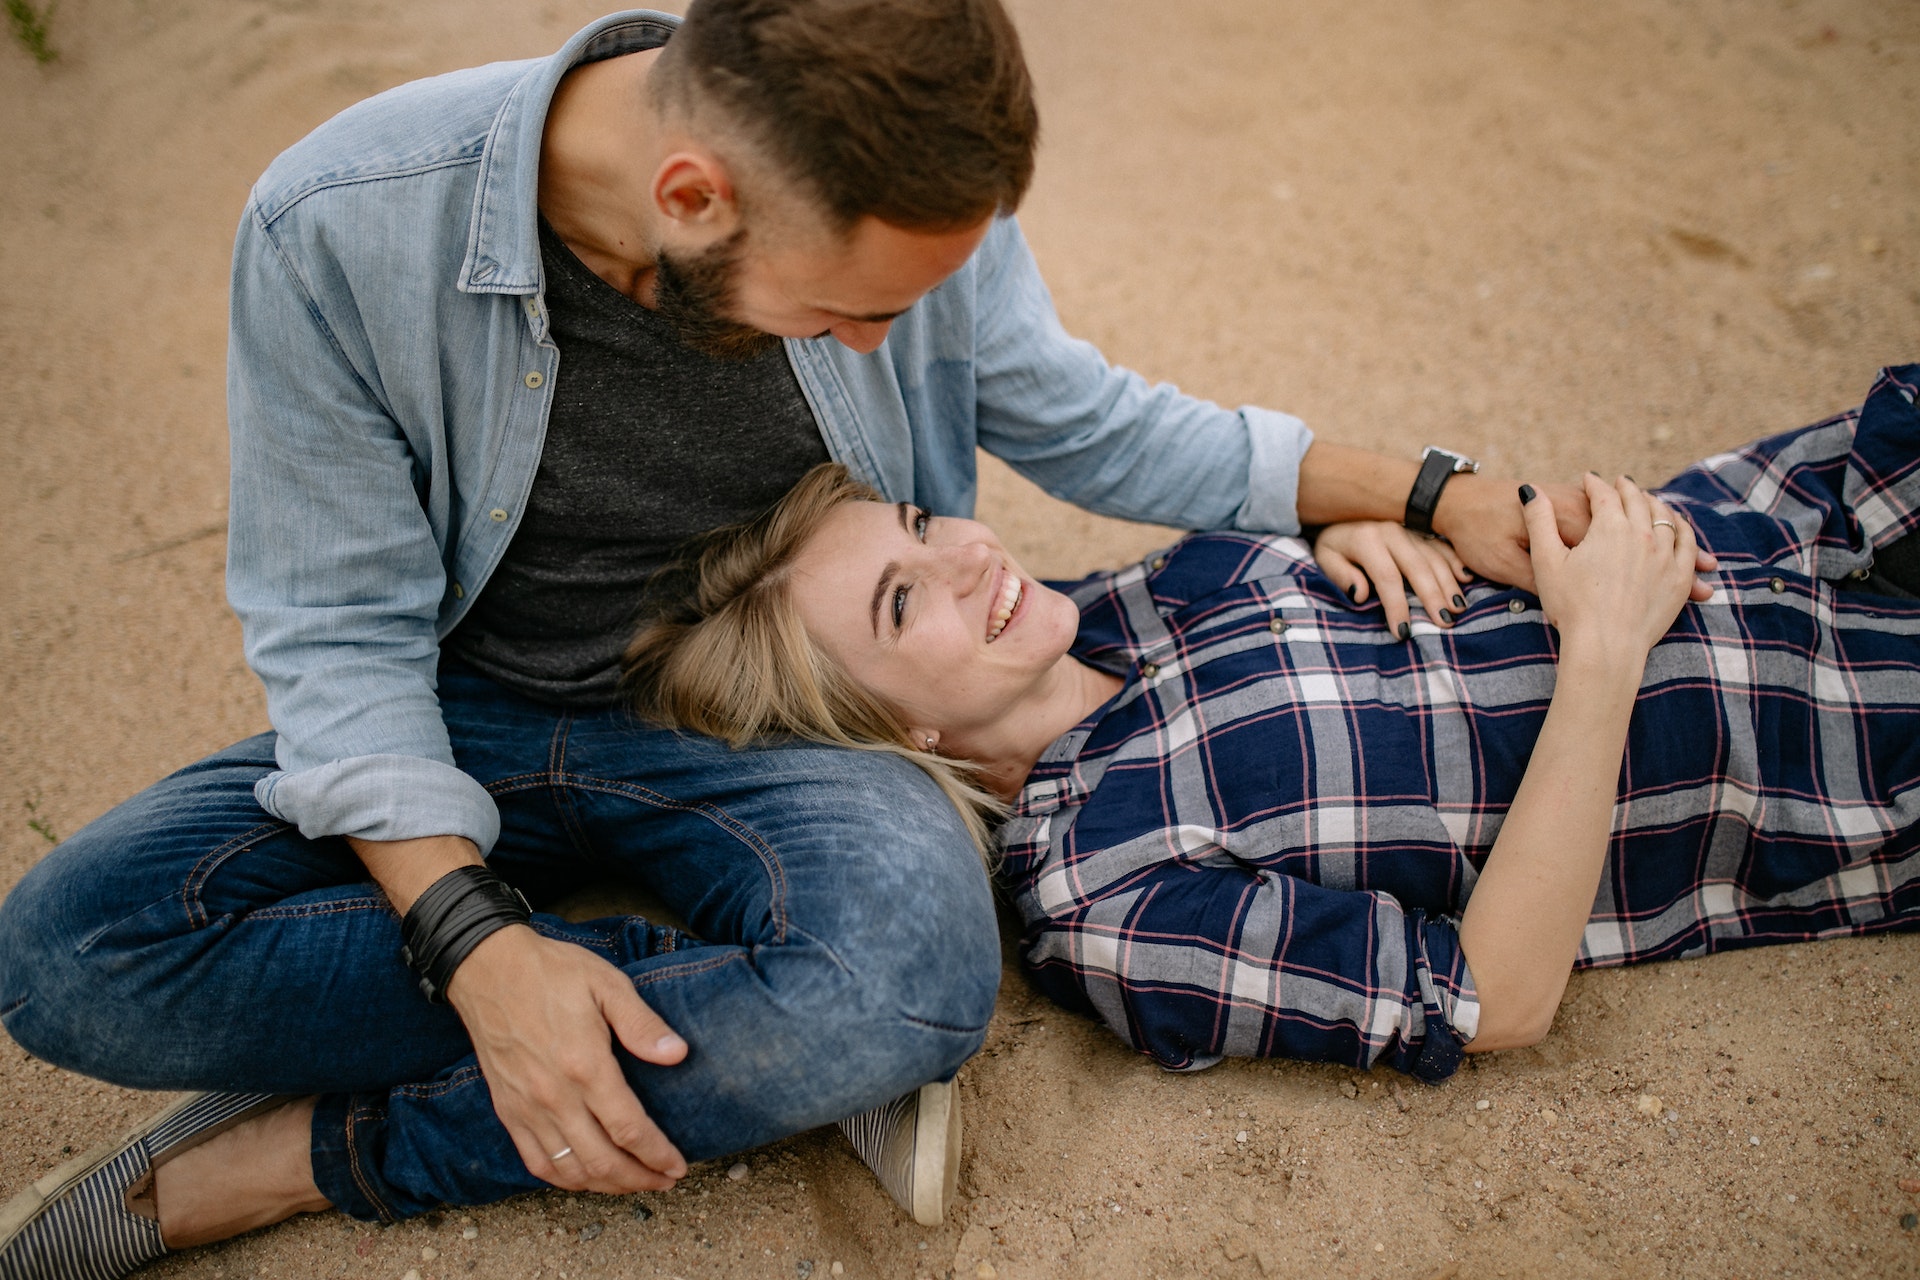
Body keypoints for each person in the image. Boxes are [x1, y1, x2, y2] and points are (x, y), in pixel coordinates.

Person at [0, 2, 1604, 1273]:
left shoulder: (884, 193)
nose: (888, 345)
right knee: (67, 960)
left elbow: (1086, 422)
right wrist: (478, 948)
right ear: (691, 200)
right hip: (455, 716)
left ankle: (302, 1154)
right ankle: (718, 1017)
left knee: (911, 968)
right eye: (855, 317)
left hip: (777, 731)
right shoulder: (335, 228)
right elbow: (338, 637)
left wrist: (1420, 482)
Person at [625, 366, 1920, 1083]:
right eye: (906, 603)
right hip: (1831, 734)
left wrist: (1357, 524)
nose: (967, 551)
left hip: (1794, 512)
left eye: (916, 524)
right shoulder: (1109, 904)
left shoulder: (1110, 602)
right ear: (894, 737)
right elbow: (1489, 998)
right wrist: (1604, 651)